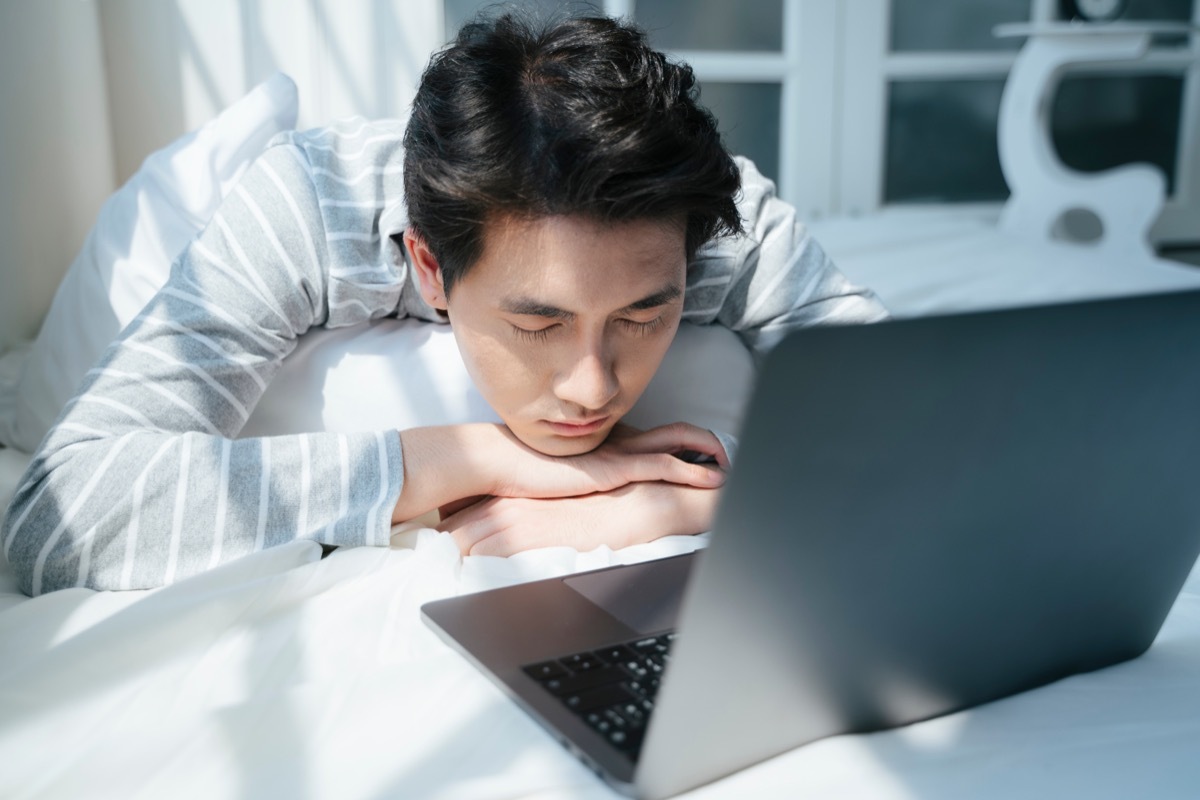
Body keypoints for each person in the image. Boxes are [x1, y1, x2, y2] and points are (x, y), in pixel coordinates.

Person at [2, 12, 886, 596]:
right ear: (429, 267)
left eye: (642, 318)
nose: (591, 389)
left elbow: (924, 426)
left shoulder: (723, 225)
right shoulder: (306, 207)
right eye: (538, 323)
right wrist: (478, 458)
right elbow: (55, 516)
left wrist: (681, 497)